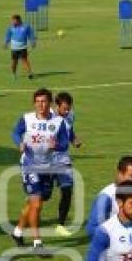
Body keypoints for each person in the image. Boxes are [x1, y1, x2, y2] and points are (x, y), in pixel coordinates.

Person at [10, 88, 68, 256]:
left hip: (48, 167)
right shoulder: (27, 119)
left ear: (49, 103)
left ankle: (17, 232)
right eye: (38, 102)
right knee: (37, 204)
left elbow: (64, 144)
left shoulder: (58, 122)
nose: (41, 105)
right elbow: (15, 132)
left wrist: (56, 145)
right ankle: (37, 242)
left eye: (44, 101)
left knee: (35, 203)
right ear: (34, 103)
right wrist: (19, 142)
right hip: (29, 165)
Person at [53, 92, 82, 238]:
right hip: (46, 160)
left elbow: (69, 130)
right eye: (64, 108)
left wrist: (74, 139)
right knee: (40, 196)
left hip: (63, 159)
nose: (66, 111)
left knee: (67, 190)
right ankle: (21, 227)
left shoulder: (70, 115)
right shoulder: (48, 118)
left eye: (68, 108)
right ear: (56, 106)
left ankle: (60, 224)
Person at [4, 15, 36, 80]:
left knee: (24, 60)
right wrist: (6, 43)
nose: (12, 22)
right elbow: (8, 36)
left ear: (18, 20)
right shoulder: (10, 28)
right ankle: (14, 74)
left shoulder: (26, 27)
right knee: (14, 62)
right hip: (14, 48)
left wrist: (32, 42)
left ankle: (29, 74)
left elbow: (30, 35)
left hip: (23, 48)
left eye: (14, 21)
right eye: (12, 21)